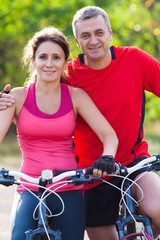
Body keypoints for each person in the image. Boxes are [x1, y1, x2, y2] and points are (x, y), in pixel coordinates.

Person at [1, 5, 160, 240]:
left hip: (132, 162)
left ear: (110, 33)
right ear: (77, 40)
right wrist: (7, 100)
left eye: (99, 33)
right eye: (85, 35)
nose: (93, 40)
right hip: (88, 172)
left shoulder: (135, 60)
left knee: (157, 208)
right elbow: (41, 93)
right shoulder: (69, 76)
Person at [0, 26, 119, 240]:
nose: (49, 63)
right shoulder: (15, 97)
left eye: (56, 57)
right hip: (29, 186)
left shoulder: (76, 97)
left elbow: (109, 135)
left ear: (65, 64)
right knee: (18, 237)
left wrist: (107, 156)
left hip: (69, 185)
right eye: (43, 57)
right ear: (33, 60)